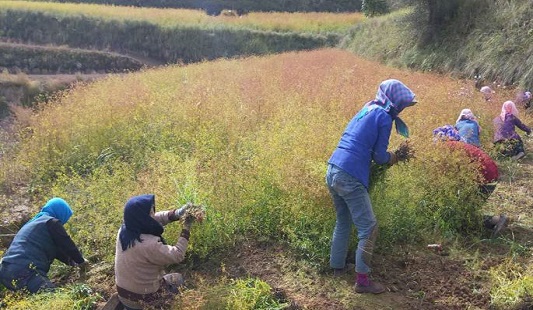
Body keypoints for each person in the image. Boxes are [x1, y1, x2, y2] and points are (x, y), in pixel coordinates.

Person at [326, 79, 417, 294]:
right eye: (402, 104)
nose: (402, 108)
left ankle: (337, 267)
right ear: (394, 102)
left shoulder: (368, 107)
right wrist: (395, 157)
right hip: (350, 175)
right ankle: (362, 281)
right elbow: (379, 157)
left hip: (333, 169)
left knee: (343, 220)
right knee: (369, 228)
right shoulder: (384, 117)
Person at [114, 194, 196, 309]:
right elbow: (178, 254)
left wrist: (177, 213)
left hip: (123, 295)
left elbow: (153, 218)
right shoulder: (149, 244)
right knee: (177, 279)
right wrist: (186, 228)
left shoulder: (125, 230)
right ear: (144, 218)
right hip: (142, 300)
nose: (154, 214)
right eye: (151, 212)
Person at [0, 198, 88, 293]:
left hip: (6, 271)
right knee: (52, 299)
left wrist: (73, 263)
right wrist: (81, 262)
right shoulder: (51, 222)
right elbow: (66, 243)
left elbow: (58, 252)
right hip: (25, 271)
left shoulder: (35, 225)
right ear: (61, 213)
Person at [444, 141, 508, 236]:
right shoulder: (454, 145)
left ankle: (496, 220)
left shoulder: (443, 151)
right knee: (463, 210)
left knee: (460, 214)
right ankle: (494, 221)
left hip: (484, 177)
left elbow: (449, 177)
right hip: (489, 175)